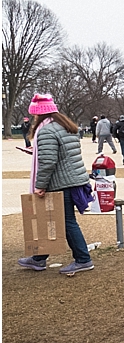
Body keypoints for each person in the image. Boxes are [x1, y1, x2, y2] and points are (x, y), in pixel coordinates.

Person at [17, 94, 95, 275]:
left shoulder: (46, 131)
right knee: (54, 220)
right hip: (74, 179)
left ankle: (83, 259)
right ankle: (38, 258)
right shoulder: (66, 126)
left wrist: (40, 185)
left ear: (39, 115)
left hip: (62, 182)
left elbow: (48, 162)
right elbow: (61, 155)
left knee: (66, 222)